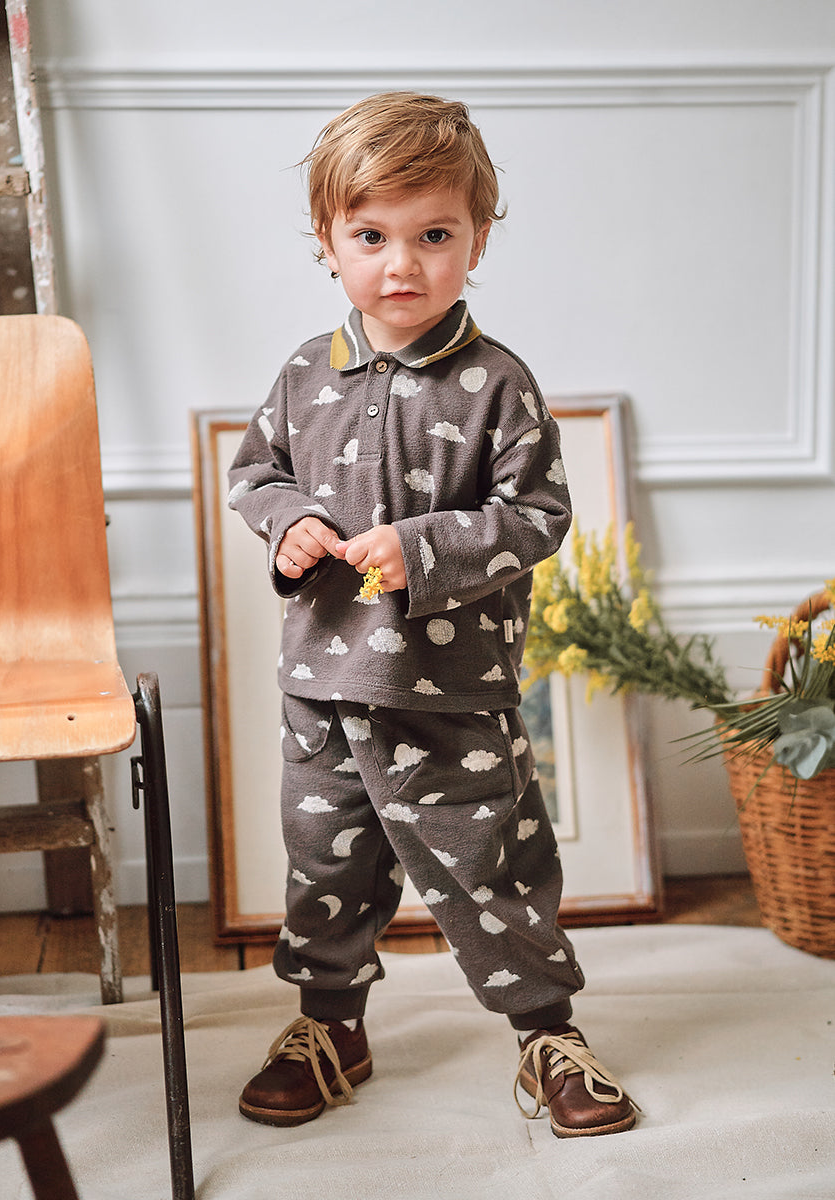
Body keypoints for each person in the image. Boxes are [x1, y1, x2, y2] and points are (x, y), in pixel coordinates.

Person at [228, 91, 637, 1138]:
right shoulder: (303, 376)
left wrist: (419, 551)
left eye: (434, 236)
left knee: (490, 864)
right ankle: (330, 1027)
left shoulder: (498, 384)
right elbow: (256, 473)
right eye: (371, 237)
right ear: (326, 241)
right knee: (325, 869)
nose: (400, 265)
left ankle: (547, 1033)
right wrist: (288, 525)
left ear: (478, 240)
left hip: (451, 692)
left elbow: (538, 516)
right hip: (323, 690)